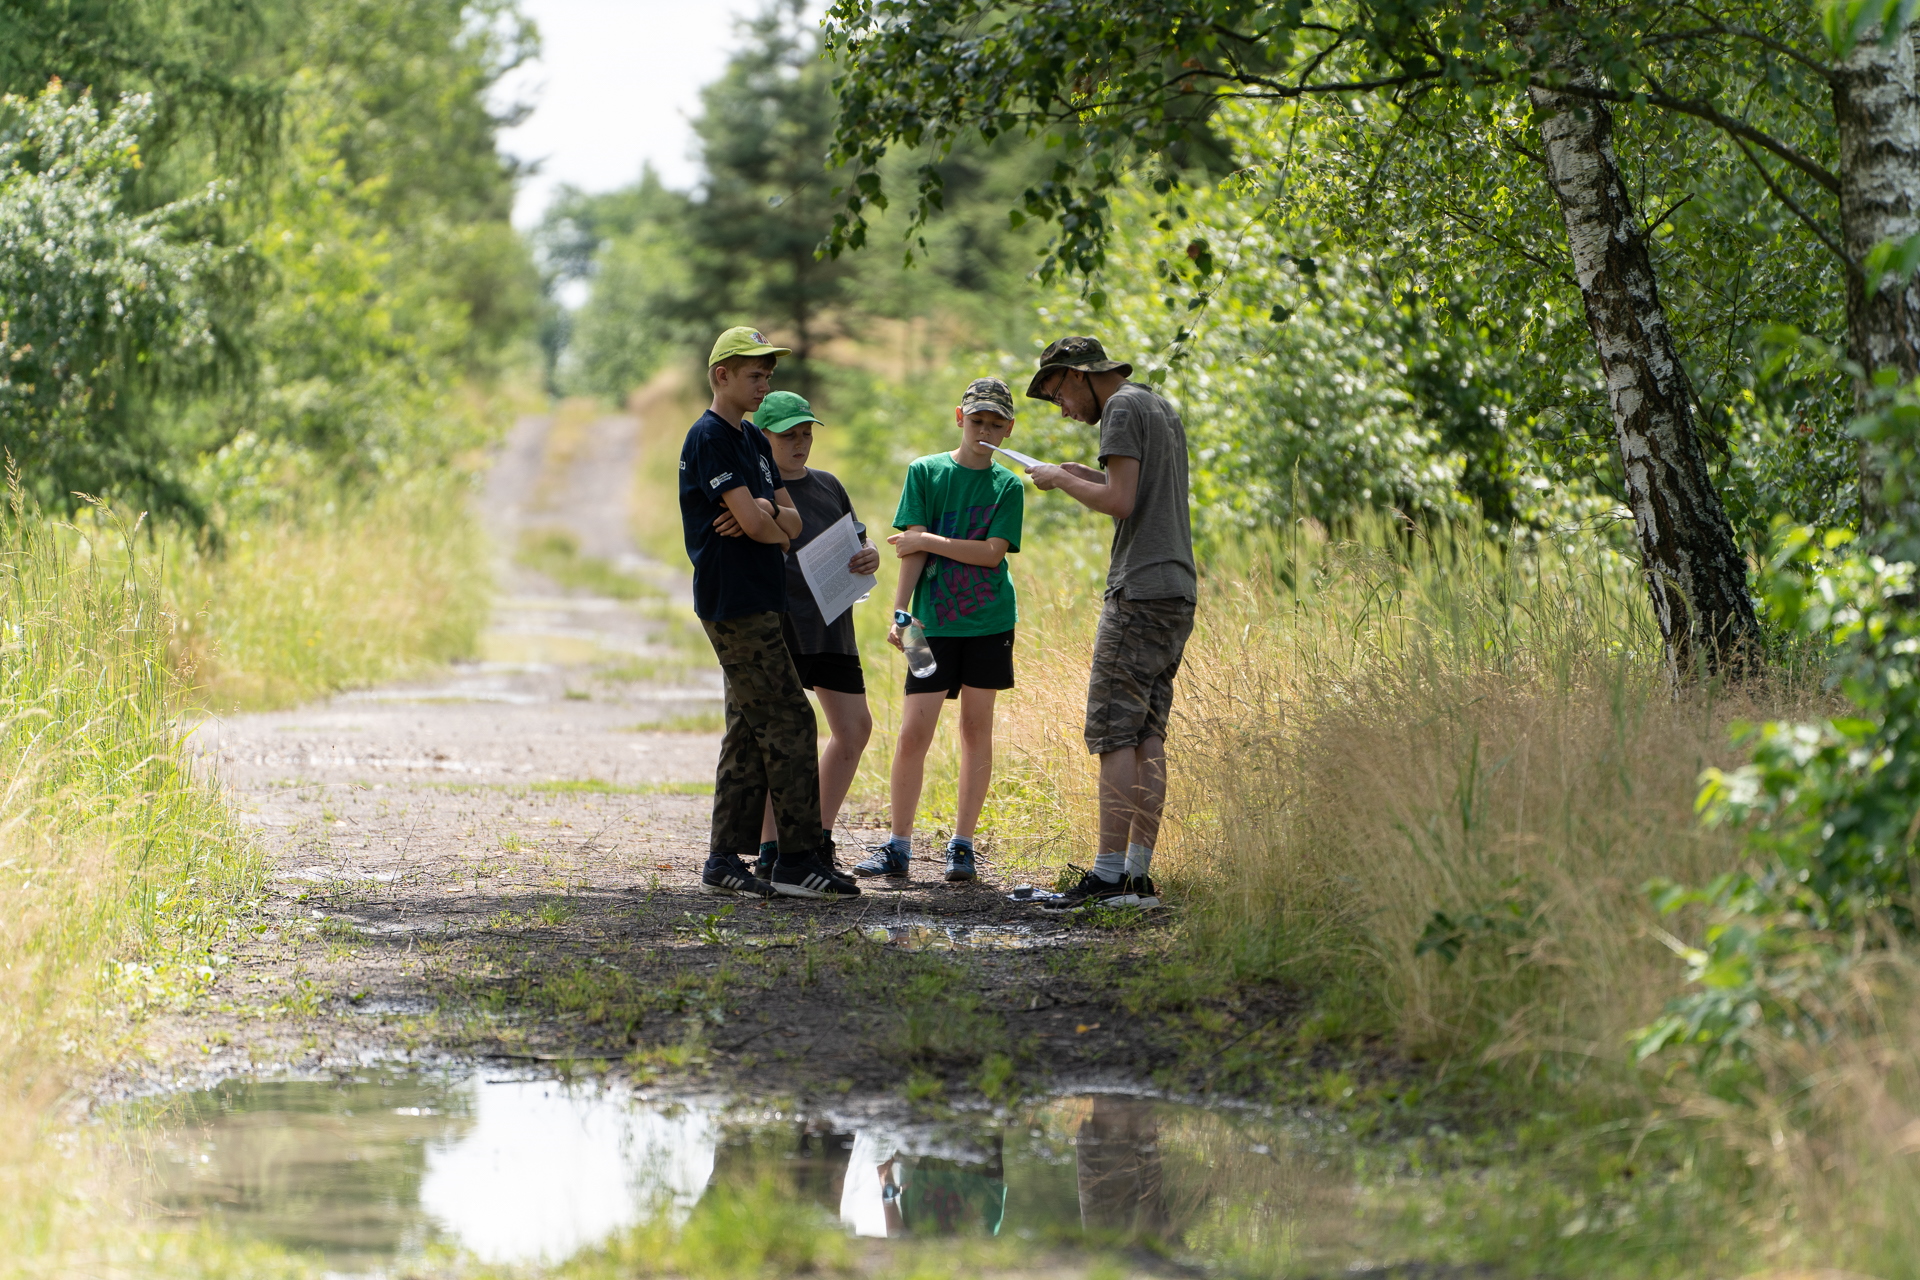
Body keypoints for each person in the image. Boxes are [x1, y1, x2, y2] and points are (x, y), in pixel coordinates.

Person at [679, 326, 858, 901]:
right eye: (754, 374)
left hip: (765, 595)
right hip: (733, 600)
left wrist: (763, 514)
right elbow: (766, 525)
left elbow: (790, 525)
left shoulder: (755, 442)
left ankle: (724, 859)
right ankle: (795, 859)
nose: (763, 383)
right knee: (791, 720)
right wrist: (765, 518)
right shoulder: (709, 437)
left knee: (751, 726)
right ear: (721, 375)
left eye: (769, 375)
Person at [1023, 337, 1196, 913]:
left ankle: (1106, 877)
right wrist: (1077, 473)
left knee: (1113, 731)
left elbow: (1120, 501)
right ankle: (1137, 879)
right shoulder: (1155, 405)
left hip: (1139, 589)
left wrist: (1060, 480)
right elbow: (1137, 490)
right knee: (1147, 733)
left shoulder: (1119, 408)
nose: (1063, 408)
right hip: (1175, 587)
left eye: (1057, 394)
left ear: (1077, 375)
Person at [849, 377, 1025, 884]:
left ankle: (962, 845)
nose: (985, 431)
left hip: (990, 623)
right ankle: (898, 845)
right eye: (977, 421)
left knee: (975, 730)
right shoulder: (925, 472)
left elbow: (992, 553)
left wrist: (929, 538)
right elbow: (911, 548)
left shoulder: (1007, 486)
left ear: (1008, 429)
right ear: (959, 418)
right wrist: (899, 611)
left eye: (995, 424)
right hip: (929, 625)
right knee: (912, 732)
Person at [746, 390, 882, 878]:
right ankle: (770, 851)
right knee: (780, 739)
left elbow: (858, 541)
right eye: (788, 435)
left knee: (854, 728)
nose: (800, 443)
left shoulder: (828, 485)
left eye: (805, 432)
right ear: (761, 438)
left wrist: (870, 557)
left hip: (832, 625)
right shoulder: (751, 491)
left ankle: (814, 842)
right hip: (782, 626)